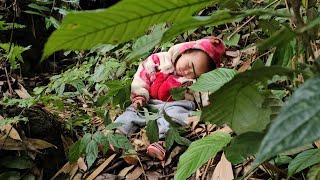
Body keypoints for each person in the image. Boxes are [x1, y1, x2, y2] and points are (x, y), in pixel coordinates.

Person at [115, 36, 225, 160]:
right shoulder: (159, 60)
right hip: (150, 102)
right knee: (132, 112)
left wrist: (212, 107)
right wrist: (140, 95)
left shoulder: (193, 82)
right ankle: (116, 135)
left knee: (177, 117)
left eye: (193, 73)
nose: (187, 72)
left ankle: (162, 141)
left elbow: (206, 95)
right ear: (185, 51)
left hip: (176, 105)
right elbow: (142, 75)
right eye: (189, 65)